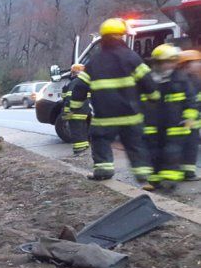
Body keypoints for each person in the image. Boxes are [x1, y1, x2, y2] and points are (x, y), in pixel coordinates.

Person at [70, 18, 155, 181]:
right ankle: (143, 173)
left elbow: (80, 86)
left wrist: (75, 106)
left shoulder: (94, 61)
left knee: (100, 141)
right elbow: (147, 81)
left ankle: (103, 170)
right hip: (131, 116)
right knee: (135, 144)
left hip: (105, 118)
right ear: (121, 36)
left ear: (103, 38)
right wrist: (153, 98)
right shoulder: (132, 57)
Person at [140, 44, 197, 190]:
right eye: (162, 62)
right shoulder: (150, 79)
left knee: (172, 151)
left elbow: (191, 101)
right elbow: (140, 100)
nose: (166, 65)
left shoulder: (181, 79)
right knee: (153, 151)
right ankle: (155, 180)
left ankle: (170, 180)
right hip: (153, 123)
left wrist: (189, 118)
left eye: (169, 62)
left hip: (176, 123)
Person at [178, 49, 201, 179]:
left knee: (190, 147)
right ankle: (187, 173)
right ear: (186, 64)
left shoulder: (194, 79)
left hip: (193, 121)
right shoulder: (184, 80)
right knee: (188, 147)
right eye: (196, 62)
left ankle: (187, 172)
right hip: (186, 121)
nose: (199, 65)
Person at [64, 63, 91, 155]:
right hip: (85, 111)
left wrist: (67, 112)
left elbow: (69, 98)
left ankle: (78, 151)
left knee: (75, 130)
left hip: (75, 110)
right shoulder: (85, 82)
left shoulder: (74, 82)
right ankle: (84, 146)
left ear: (74, 73)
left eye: (72, 72)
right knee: (82, 128)